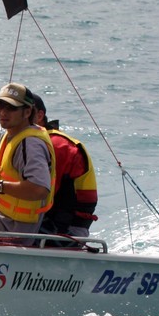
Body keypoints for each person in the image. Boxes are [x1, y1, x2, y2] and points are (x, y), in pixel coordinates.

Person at [0, 82, 56, 245]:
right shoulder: (10, 136)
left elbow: (40, 189)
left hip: (14, 229)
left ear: (27, 112)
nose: (3, 112)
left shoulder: (30, 144)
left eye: (11, 108)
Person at [30, 93, 99, 241]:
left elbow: (38, 193)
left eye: (25, 112)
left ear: (39, 116)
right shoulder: (32, 142)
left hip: (65, 229)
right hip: (46, 221)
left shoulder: (57, 145)